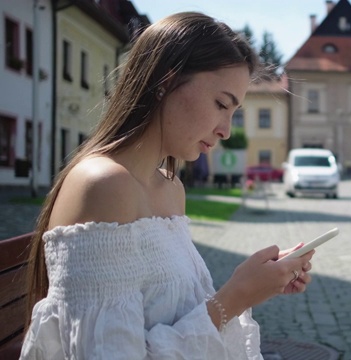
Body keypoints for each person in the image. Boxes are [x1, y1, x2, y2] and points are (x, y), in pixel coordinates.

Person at [21, 12, 314, 359]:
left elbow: (173, 318)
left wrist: (256, 283)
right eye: (221, 104)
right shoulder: (103, 185)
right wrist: (236, 296)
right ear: (165, 80)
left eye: (233, 112)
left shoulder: (171, 189)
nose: (226, 130)